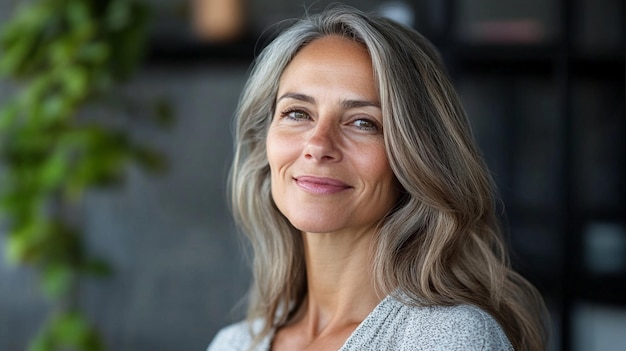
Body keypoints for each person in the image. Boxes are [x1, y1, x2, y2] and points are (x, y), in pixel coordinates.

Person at [208, 5, 548, 351]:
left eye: (362, 122)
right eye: (297, 113)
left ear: (416, 155)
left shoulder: (448, 338)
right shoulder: (233, 344)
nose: (318, 145)